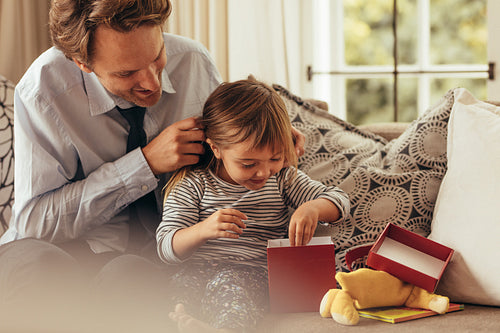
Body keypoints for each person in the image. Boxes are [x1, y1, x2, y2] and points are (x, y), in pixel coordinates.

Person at [0, 1, 305, 330]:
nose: (152, 84)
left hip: (142, 258)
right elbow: (35, 223)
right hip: (49, 251)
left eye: (158, 57)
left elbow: (227, 146)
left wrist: (265, 138)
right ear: (82, 63)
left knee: (133, 277)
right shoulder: (44, 88)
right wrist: (144, 164)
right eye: (126, 73)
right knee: (45, 270)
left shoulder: (194, 62)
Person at [157, 78, 350, 333]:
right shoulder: (193, 184)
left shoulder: (283, 178)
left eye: (275, 158)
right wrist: (204, 229)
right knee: (177, 293)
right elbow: (166, 247)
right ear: (216, 148)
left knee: (229, 286)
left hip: (254, 275)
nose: (263, 172)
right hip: (196, 270)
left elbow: (340, 200)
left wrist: (312, 208)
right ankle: (182, 322)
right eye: (248, 164)